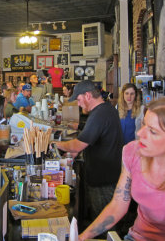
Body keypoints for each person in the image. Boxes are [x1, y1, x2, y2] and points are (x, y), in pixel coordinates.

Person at [79, 98, 165, 241]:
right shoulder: (133, 152)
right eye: (144, 124)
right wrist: (83, 236)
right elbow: (118, 205)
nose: (140, 133)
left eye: (152, 131)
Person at [54, 80, 123, 228]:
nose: (78, 104)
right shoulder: (104, 110)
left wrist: (55, 144)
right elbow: (92, 139)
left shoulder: (100, 114)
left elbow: (78, 143)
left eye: (78, 100)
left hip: (104, 181)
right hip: (105, 176)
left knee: (103, 225)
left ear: (87, 95)